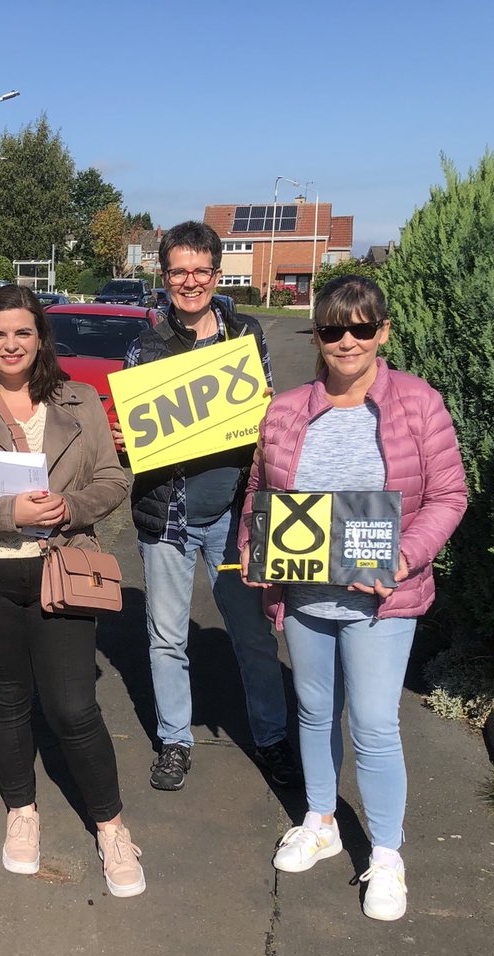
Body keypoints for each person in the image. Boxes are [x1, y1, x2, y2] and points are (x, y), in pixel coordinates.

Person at [237, 275, 467, 921]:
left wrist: (403, 554)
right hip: (306, 594)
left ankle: (387, 854)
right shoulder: (285, 411)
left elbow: (450, 496)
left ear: (382, 332)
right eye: (333, 328)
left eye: (361, 327)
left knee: (371, 723)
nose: (347, 340)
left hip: (381, 601)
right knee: (313, 711)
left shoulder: (418, 405)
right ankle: (321, 818)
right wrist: (256, 552)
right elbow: (261, 493)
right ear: (317, 334)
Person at [0, 285, 145, 897]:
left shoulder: (78, 398)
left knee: (74, 707)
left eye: (22, 332)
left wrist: (69, 506)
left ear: (41, 338)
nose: (10, 344)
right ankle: (22, 811)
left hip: (64, 566)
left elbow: (113, 476)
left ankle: (112, 827)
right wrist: (8, 510)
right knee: (4, 699)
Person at [112, 221, 297, 792]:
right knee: (166, 636)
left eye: (200, 271)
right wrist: (126, 445)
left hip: (234, 515)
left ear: (216, 274)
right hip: (166, 516)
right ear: (162, 276)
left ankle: (270, 738)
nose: (189, 282)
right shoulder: (143, 347)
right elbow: (133, 439)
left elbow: (266, 418)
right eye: (177, 271)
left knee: (253, 634)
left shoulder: (247, 333)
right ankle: (175, 740)